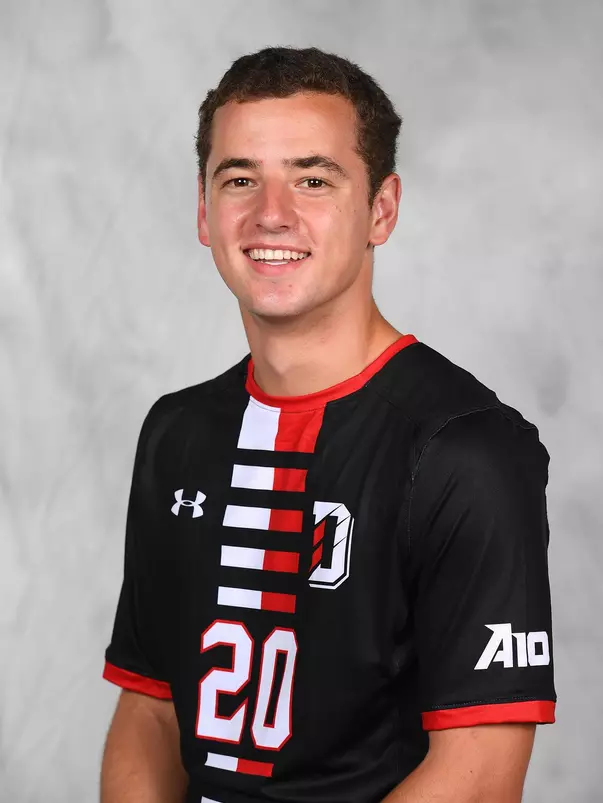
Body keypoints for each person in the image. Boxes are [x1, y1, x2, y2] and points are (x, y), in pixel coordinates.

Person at [100, 46, 556, 803]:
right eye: (239, 178)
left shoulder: (466, 449)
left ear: (381, 209)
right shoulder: (176, 433)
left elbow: (476, 774)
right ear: (204, 213)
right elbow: (150, 708)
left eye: (312, 179)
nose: (270, 212)